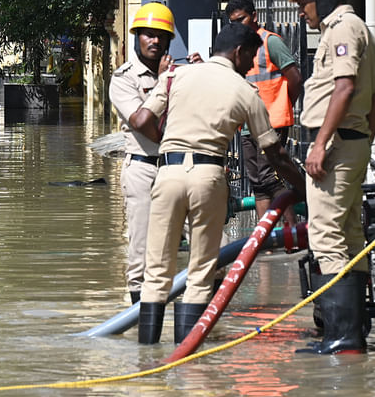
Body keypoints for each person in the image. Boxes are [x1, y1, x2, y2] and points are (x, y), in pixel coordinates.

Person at [128, 22, 306, 344]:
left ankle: (147, 360)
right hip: (208, 176)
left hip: (166, 173)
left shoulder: (176, 75)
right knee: (199, 274)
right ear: (238, 52)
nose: (251, 66)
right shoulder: (244, 91)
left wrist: (171, 142)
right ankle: (187, 358)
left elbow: (140, 120)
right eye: (251, 57)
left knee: (155, 274)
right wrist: (304, 188)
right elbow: (275, 154)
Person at [291, 0, 375, 355]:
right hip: (352, 141)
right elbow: (372, 100)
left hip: (337, 146)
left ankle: (341, 337)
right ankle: (353, 334)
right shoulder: (360, 28)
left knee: (327, 237)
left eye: (302, 4)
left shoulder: (342, 29)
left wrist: (322, 143)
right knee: (349, 235)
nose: (301, 12)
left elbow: (344, 88)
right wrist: (362, 140)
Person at [109, 2, 177, 305]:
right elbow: (143, 125)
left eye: (161, 36)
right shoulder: (124, 78)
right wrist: (164, 83)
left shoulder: (179, 75)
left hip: (178, 170)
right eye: (148, 35)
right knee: (141, 257)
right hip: (143, 170)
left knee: (214, 248)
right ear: (137, 37)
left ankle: (205, 326)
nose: (155, 41)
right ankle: (141, 331)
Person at [225, 0, 303, 227]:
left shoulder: (270, 42)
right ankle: (265, 240)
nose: (239, 25)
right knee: (257, 183)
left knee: (271, 179)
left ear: (254, 16)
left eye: (242, 19)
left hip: (273, 122)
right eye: (234, 22)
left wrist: (283, 105)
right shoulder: (237, 49)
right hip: (247, 125)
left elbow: (295, 79)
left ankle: (291, 233)